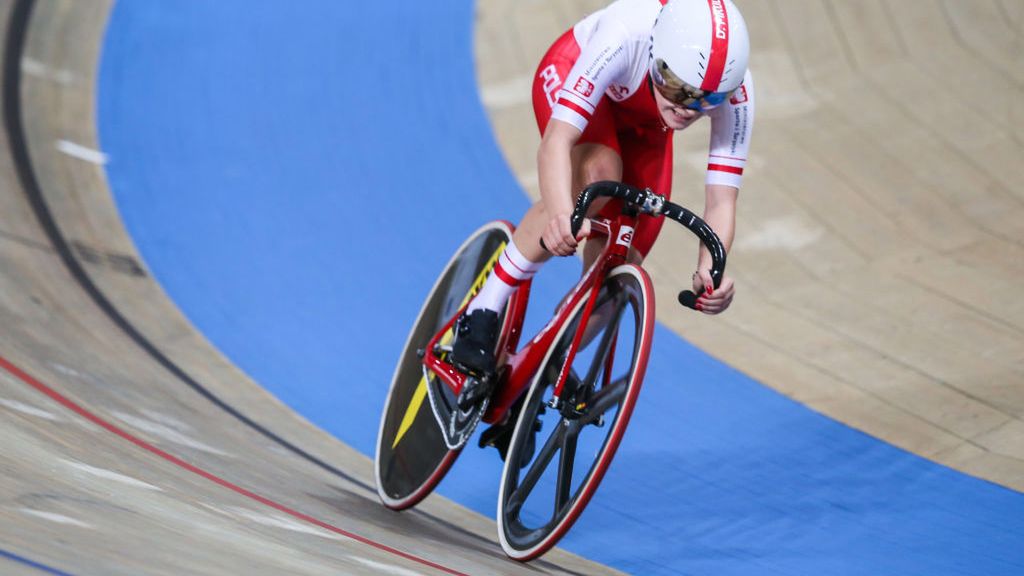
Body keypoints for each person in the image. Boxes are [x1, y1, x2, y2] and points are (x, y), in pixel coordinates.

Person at [453, 0, 755, 392]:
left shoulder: (737, 91)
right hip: (572, 73)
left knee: (621, 267)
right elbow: (557, 142)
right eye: (677, 87)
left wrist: (709, 271)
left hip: (645, 126)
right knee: (597, 177)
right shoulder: (625, 33)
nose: (686, 109)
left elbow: (721, 201)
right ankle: (484, 308)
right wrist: (563, 213)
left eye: (706, 100)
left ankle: (541, 367)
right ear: (656, 53)